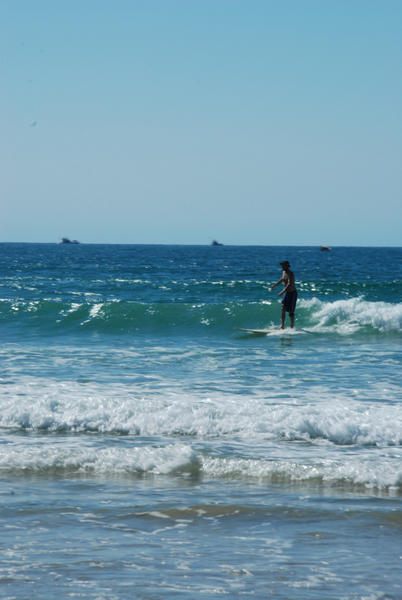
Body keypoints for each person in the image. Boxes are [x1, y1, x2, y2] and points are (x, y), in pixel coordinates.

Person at [270, 260, 297, 328]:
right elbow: (282, 279)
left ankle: (292, 325)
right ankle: (282, 325)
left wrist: (282, 291)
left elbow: (289, 283)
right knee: (283, 308)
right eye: (281, 265)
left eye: (283, 265)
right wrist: (274, 285)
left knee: (291, 312)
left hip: (293, 293)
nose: (282, 267)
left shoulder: (291, 273)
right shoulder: (284, 272)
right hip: (287, 293)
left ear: (287, 266)